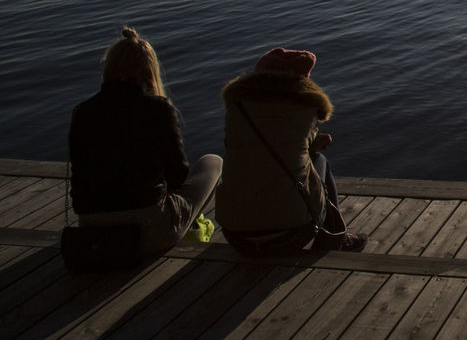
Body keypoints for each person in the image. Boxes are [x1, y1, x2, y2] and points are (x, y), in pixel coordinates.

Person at [68, 27, 223, 254]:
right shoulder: (158, 109)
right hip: (148, 233)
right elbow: (178, 176)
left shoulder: (82, 112)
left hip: (91, 232)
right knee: (212, 163)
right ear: (150, 69)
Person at [217, 47, 366, 254]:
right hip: (292, 234)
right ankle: (337, 237)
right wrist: (311, 146)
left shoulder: (237, 108)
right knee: (319, 160)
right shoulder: (304, 106)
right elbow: (294, 151)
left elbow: (252, 149)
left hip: (236, 235)